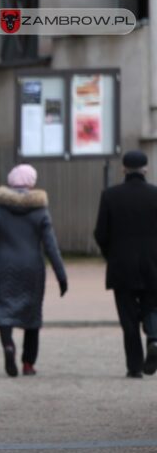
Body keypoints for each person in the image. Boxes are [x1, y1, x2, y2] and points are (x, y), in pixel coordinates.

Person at [0, 164, 68, 377]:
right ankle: (28, 364)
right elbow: (50, 245)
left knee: (3, 311)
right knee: (32, 314)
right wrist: (61, 275)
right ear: (32, 182)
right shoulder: (40, 210)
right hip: (32, 267)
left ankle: (8, 346)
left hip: (3, 265)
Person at [93, 150, 157, 378]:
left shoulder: (110, 195)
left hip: (122, 266)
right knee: (152, 306)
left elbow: (100, 233)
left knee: (128, 317)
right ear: (146, 169)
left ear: (124, 169)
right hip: (153, 264)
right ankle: (154, 338)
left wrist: (112, 254)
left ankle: (135, 366)